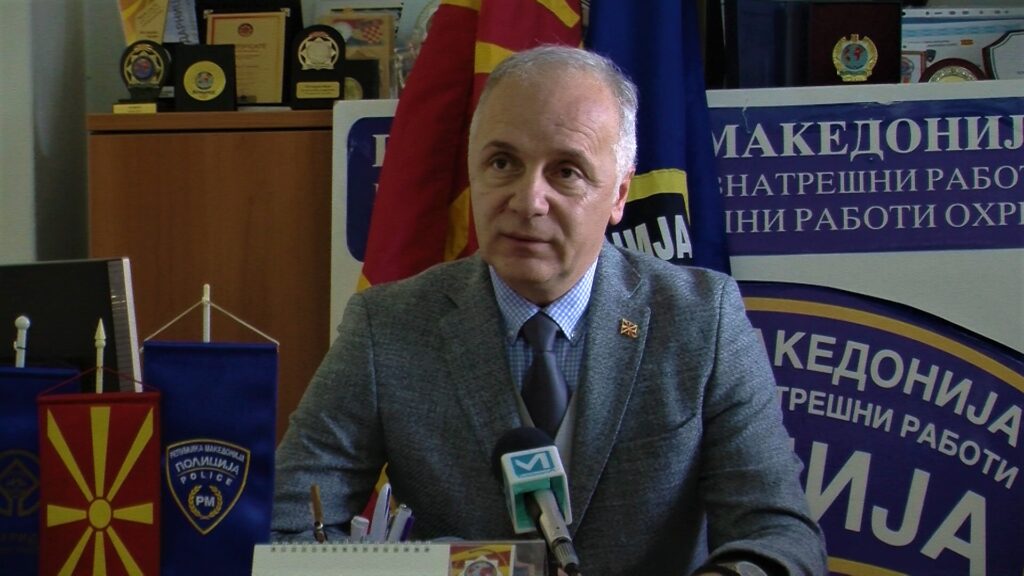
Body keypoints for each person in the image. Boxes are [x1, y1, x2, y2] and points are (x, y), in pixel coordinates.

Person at [272, 45, 827, 575]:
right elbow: (286, 523)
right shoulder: (387, 326)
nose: (527, 201)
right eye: (503, 162)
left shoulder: (703, 320)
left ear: (619, 195)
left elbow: (781, 536)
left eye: (566, 172)